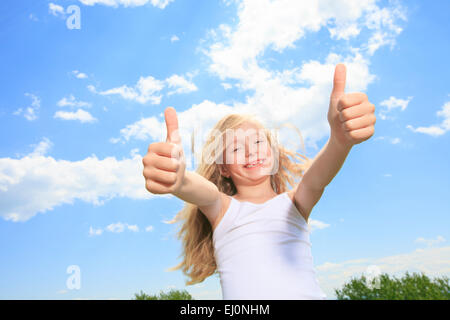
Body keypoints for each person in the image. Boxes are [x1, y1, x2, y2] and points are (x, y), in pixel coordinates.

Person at [142, 63, 376, 299]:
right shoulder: (223, 209)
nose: (249, 152)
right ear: (223, 168)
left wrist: (339, 141)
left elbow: (316, 179)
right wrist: (180, 179)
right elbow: (203, 191)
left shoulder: (294, 203)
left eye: (257, 142)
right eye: (235, 148)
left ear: (272, 152)